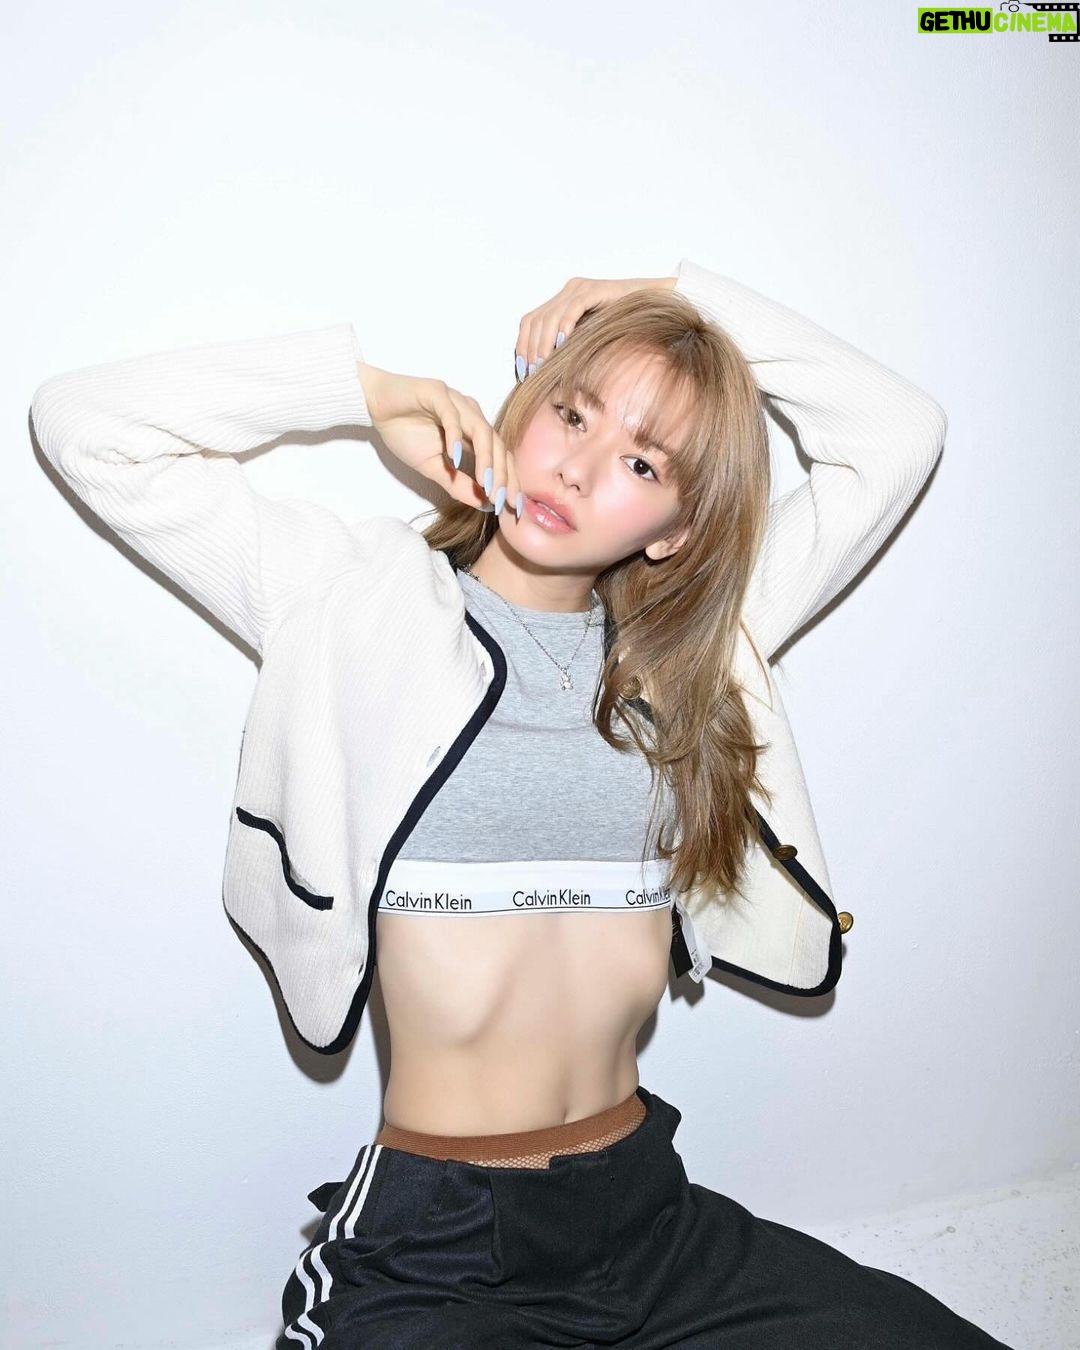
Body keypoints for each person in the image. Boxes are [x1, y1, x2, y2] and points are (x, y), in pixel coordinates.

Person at [31, 261, 1013, 1349]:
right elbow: (87, 427)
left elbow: (898, 432)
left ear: (675, 529)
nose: (578, 469)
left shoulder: (696, 658)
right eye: (573, 414)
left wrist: (669, 292)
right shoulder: (352, 596)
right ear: (524, 408)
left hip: (652, 1225)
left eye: (642, 462)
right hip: (441, 1252)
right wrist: (366, 392)